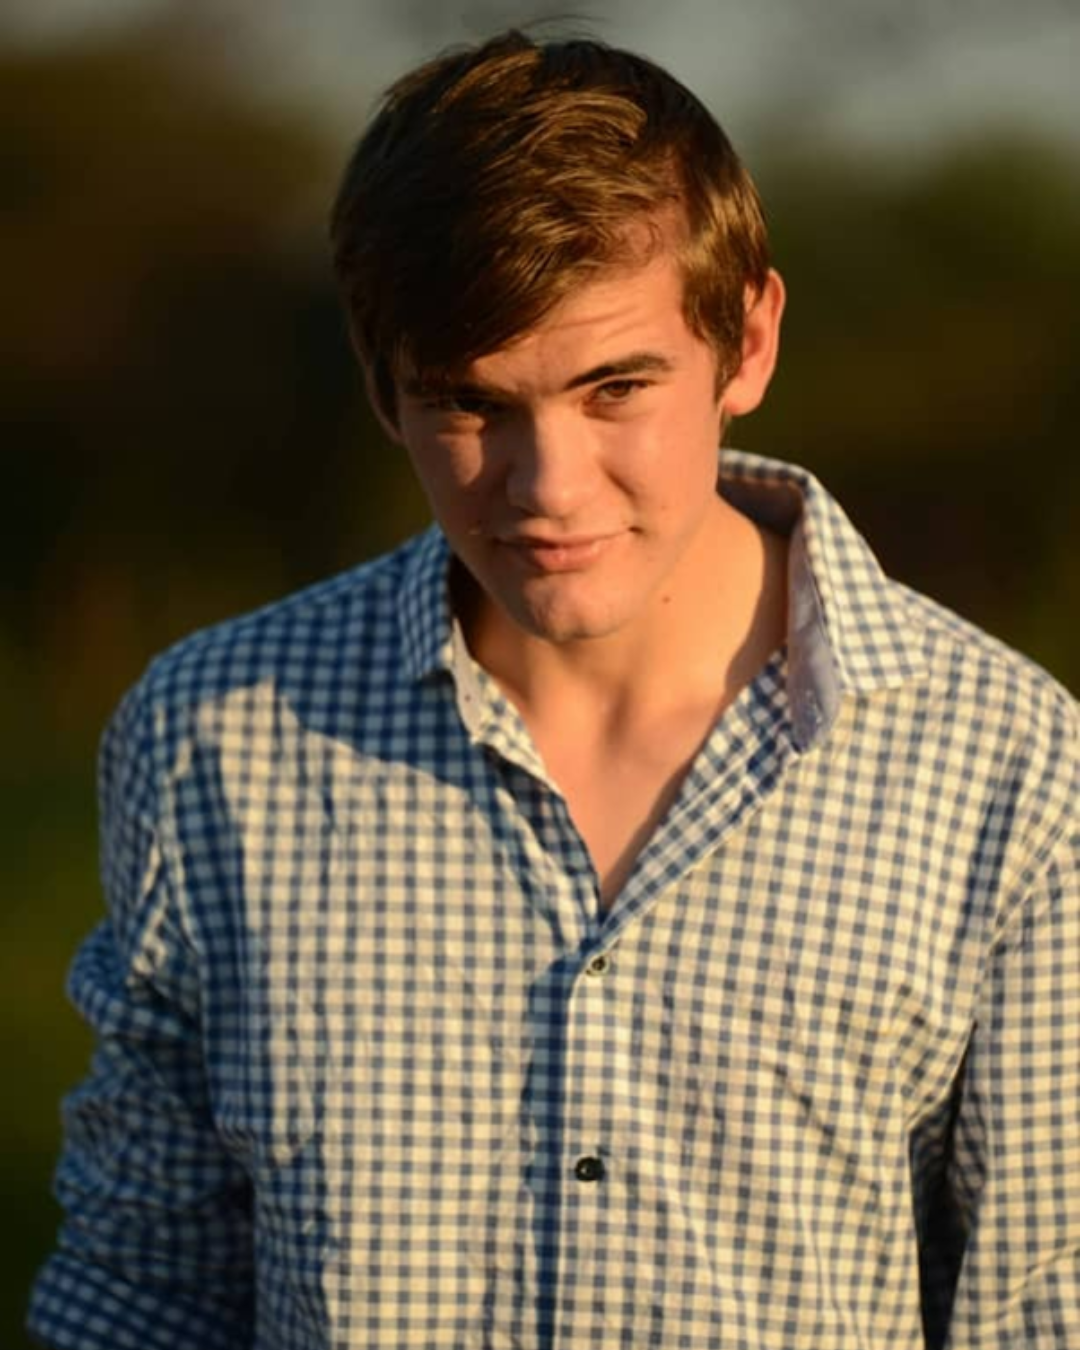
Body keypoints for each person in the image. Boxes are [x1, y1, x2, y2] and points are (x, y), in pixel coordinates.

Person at [28, 29, 1078, 1350]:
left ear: (746, 341)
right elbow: (144, 1288)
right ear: (380, 385)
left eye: (615, 388)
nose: (547, 488)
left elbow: (1040, 1308)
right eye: (473, 407)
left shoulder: (1008, 767)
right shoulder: (212, 740)